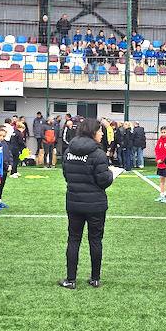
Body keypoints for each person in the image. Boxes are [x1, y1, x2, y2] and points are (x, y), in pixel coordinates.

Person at [59, 118, 115, 289]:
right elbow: (104, 181)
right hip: (95, 204)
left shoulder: (69, 151)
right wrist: (110, 173)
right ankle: (95, 278)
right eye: (99, 130)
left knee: (74, 239)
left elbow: (66, 175)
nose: (102, 133)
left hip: (75, 202)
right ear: (92, 132)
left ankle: (71, 279)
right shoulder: (98, 154)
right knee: (95, 240)